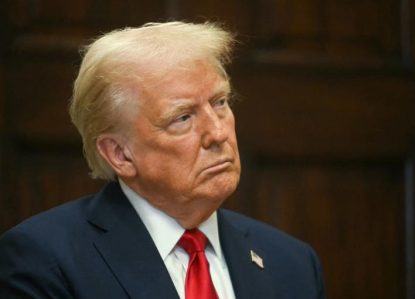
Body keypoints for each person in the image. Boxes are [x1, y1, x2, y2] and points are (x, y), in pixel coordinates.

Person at [0, 21, 325, 299]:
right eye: (182, 118)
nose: (217, 132)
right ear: (120, 154)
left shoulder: (292, 263)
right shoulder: (44, 262)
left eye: (220, 102)